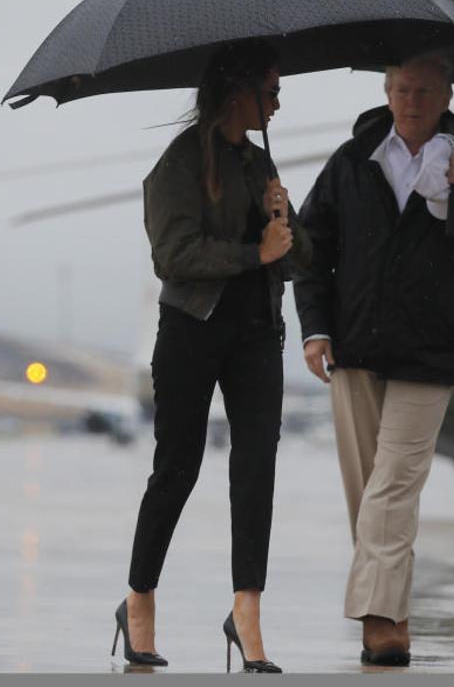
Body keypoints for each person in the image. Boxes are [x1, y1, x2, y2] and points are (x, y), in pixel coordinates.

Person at [294, 52, 454, 665]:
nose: (413, 101)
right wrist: (315, 329)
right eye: (403, 90)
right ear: (387, 94)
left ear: (447, 98)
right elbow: (311, 252)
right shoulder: (350, 162)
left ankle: (382, 620)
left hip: (429, 350)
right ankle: (392, 607)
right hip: (355, 344)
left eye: (425, 91)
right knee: (368, 491)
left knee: (392, 485)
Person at [113, 40, 310, 673]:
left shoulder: (259, 165)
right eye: (271, 91)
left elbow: (301, 259)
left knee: (255, 472)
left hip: (257, 335)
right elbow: (173, 256)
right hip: (191, 332)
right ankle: (139, 600)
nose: (277, 104)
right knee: (177, 468)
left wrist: (284, 217)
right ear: (238, 92)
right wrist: (255, 253)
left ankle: (246, 613)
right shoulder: (177, 164)